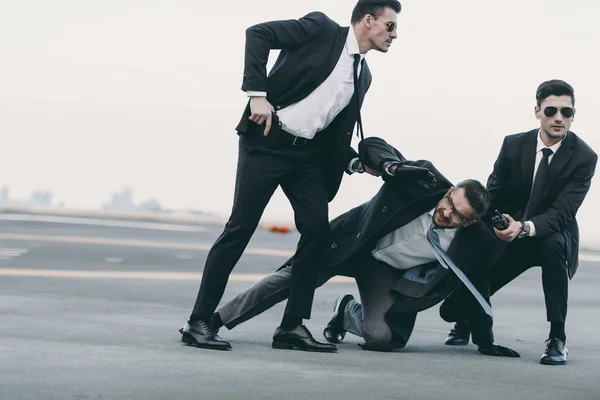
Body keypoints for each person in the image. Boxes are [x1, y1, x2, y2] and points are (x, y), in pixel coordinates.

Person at [180, 0, 417, 352]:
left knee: (318, 233)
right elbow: (257, 34)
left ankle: (292, 326)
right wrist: (256, 94)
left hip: (305, 156)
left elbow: (333, 132)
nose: (395, 35)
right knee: (240, 228)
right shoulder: (320, 30)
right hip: (266, 142)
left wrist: (354, 163)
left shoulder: (362, 74)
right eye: (391, 26)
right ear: (369, 21)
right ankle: (197, 322)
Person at [188, 137, 520, 356]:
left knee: (381, 338)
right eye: (449, 202)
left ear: (468, 222)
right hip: (353, 243)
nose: (445, 213)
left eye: (456, 217)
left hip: (386, 272)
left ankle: (346, 310)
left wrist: (485, 342)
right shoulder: (424, 179)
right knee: (289, 278)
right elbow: (373, 145)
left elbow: (477, 284)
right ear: (450, 191)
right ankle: (213, 322)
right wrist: (393, 167)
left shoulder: (474, 242)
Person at [441, 79, 598, 365]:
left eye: (567, 112)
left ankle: (557, 338)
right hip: (507, 233)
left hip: (548, 235)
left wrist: (524, 228)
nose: (559, 118)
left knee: (553, 246)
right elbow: (493, 195)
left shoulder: (585, 157)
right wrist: (500, 225)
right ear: (537, 111)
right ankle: (465, 317)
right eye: (551, 110)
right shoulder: (513, 145)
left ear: (574, 114)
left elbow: (563, 212)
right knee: (453, 307)